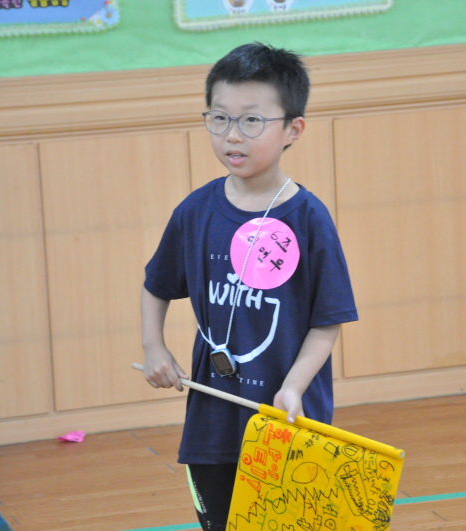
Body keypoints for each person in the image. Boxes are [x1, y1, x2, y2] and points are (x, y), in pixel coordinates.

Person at [140, 42, 358, 531]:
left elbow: (328, 322)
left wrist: (294, 388)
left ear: (293, 130)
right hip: (212, 425)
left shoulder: (309, 218)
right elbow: (156, 286)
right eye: (219, 119)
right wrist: (155, 347)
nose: (232, 135)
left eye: (252, 121)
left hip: (288, 419)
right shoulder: (195, 211)